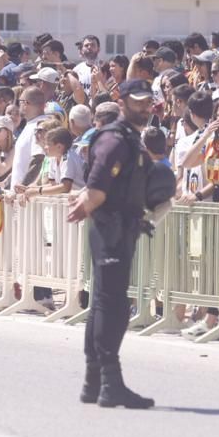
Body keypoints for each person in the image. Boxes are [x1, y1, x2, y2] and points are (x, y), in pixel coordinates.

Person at [67, 78, 157, 409]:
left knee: (106, 303)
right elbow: (99, 180)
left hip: (119, 226)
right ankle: (109, 382)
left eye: (147, 101)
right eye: (137, 101)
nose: (144, 106)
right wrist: (88, 201)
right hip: (111, 228)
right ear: (122, 103)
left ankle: (94, 383)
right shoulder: (114, 139)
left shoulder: (131, 138)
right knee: (112, 305)